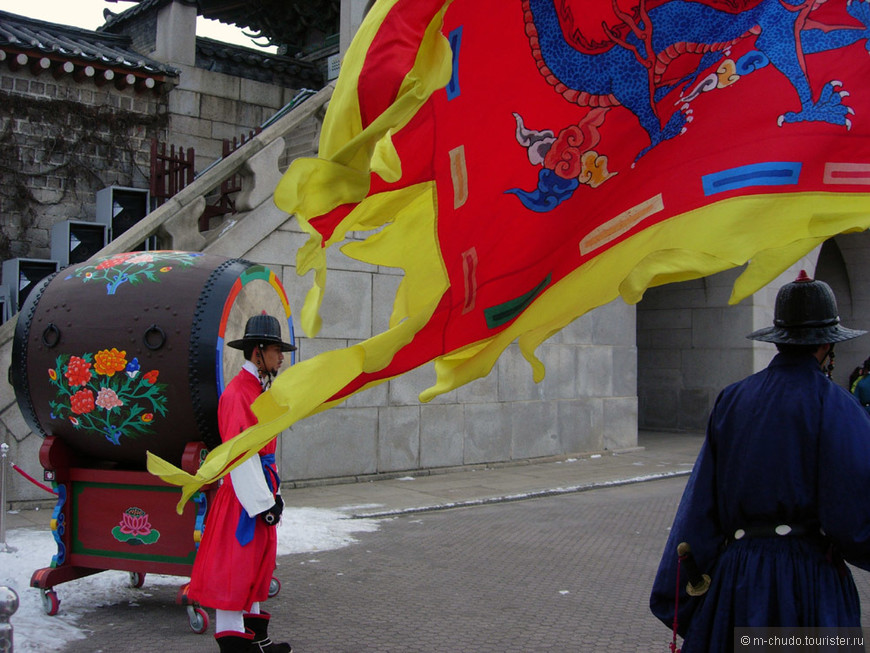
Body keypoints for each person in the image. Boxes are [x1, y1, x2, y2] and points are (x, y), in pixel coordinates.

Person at [649, 271, 870, 652]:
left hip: (738, 581)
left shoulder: (733, 399)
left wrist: (682, 591)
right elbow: (853, 518)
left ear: (780, 339)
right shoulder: (836, 404)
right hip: (809, 585)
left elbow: (700, 508)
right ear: (825, 347)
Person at [188, 313, 296, 653]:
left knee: (254, 567)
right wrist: (263, 503)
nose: (282, 357)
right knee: (235, 571)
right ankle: (236, 645)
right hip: (243, 500)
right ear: (258, 352)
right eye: (277, 350)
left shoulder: (257, 389)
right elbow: (241, 454)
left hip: (258, 491)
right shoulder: (238, 394)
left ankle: (257, 641)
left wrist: (272, 496)